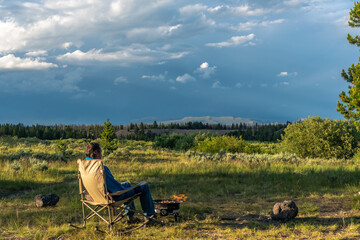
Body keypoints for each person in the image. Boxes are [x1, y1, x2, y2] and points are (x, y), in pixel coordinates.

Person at [84, 142, 159, 224]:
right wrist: (125, 189)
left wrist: (123, 186)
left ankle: (131, 218)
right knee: (144, 186)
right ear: (96, 153)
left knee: (126, 184)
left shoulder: (85, 168)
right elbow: (116, 189)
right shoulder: (100, 168)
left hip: (94, 197)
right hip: (111, 197)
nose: (101, 155)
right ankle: (150, 218)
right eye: (100, 152)